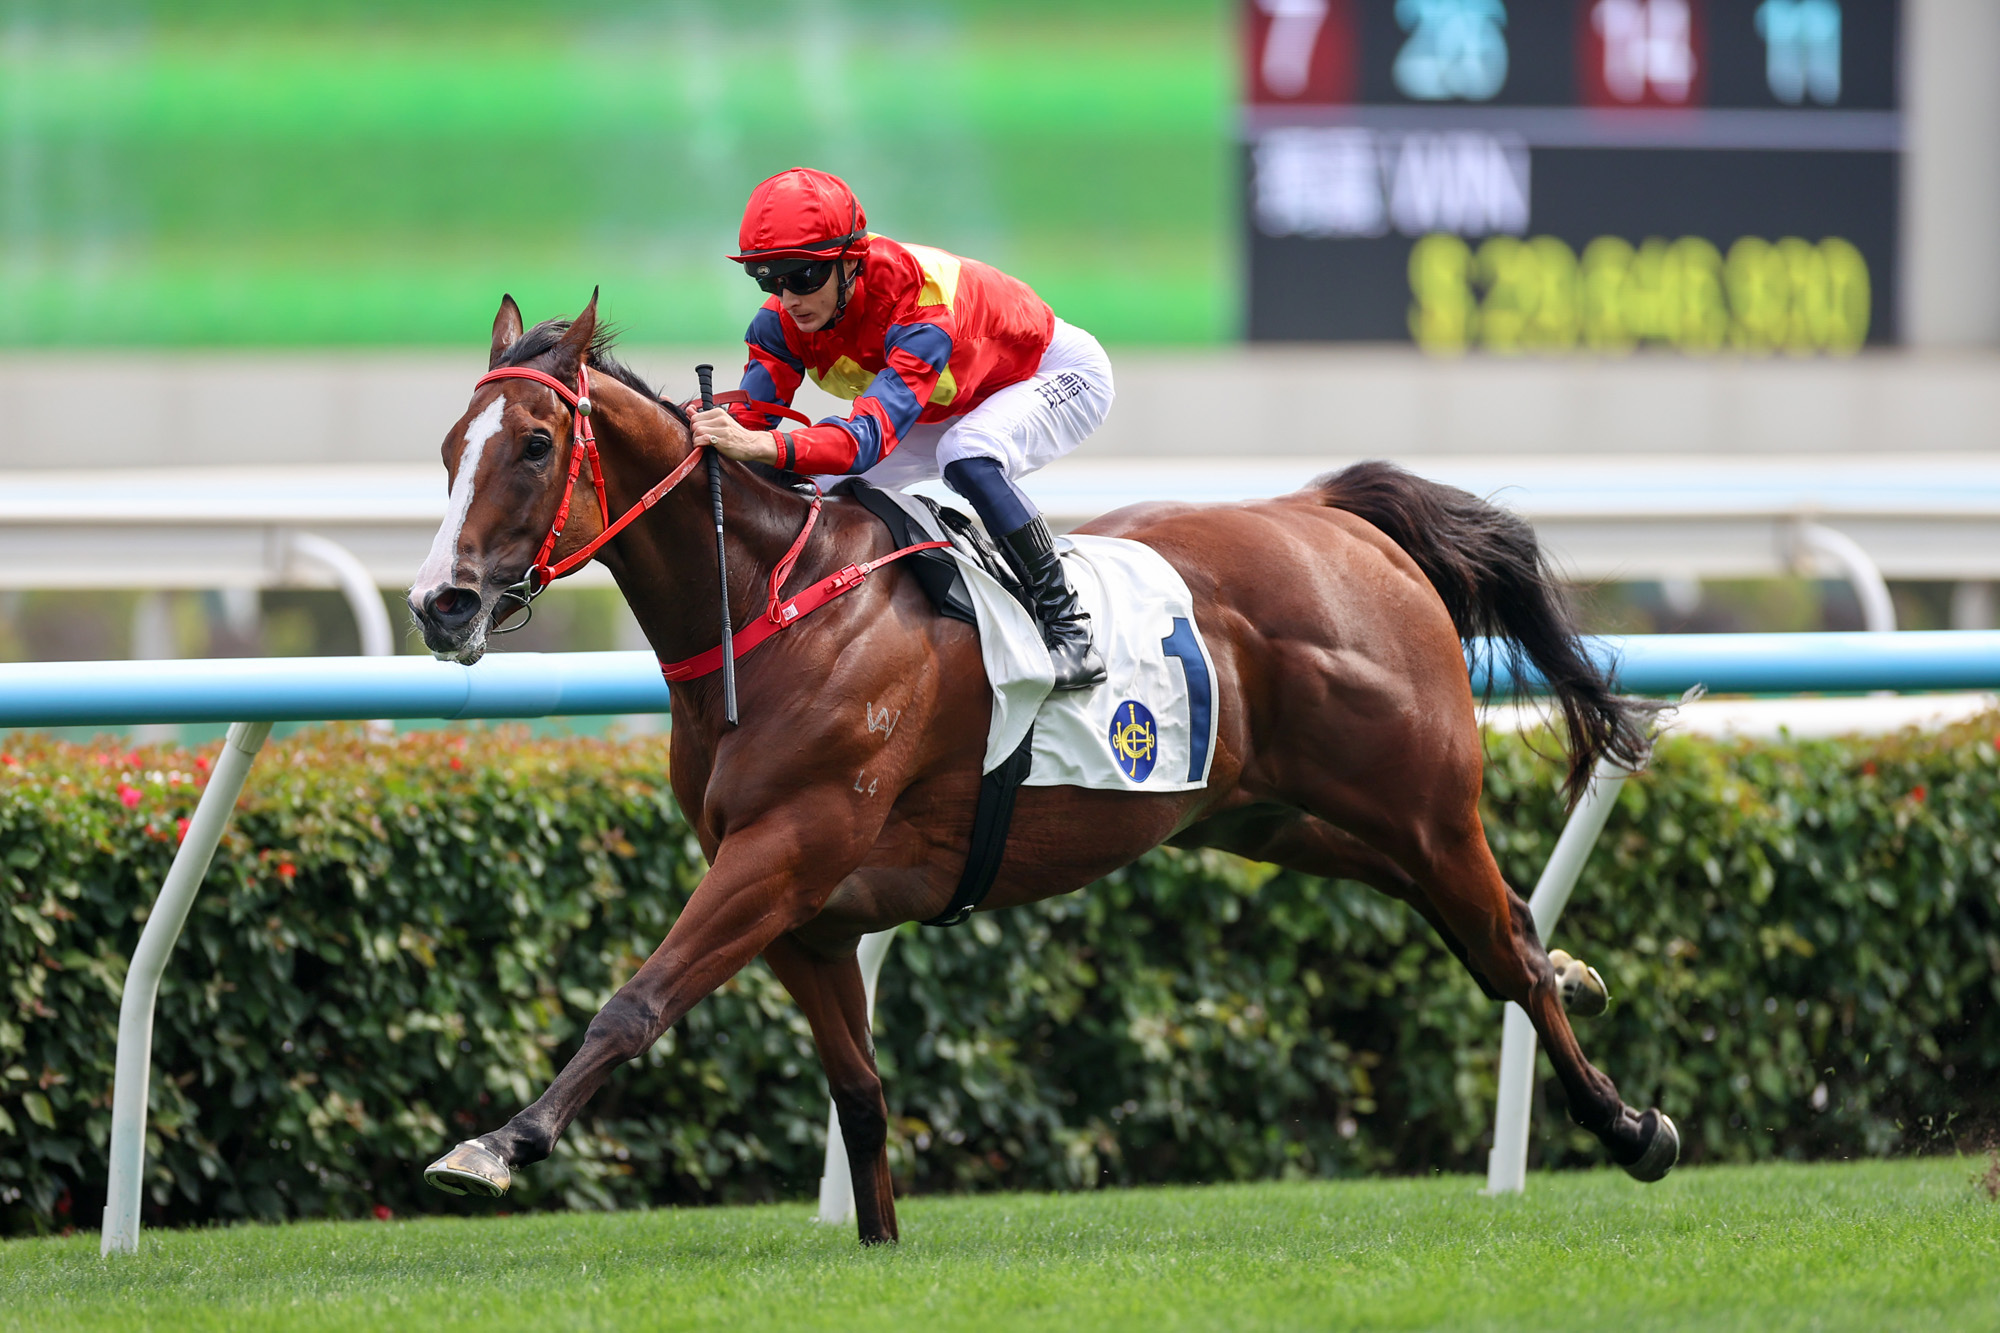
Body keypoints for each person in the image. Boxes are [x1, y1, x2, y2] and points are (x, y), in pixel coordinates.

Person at [689, 167, 1112, 691]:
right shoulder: (780, 323)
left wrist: (759, 443)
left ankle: (1070, 629)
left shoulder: (918, 306)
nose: (788, 298)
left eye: (802, 277)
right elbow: (752, 423)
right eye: (769, 278)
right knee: (810, 484)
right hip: (946, 398)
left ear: (851, 261)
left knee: (966, 453)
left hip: (1052, 371)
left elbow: (862, 442)